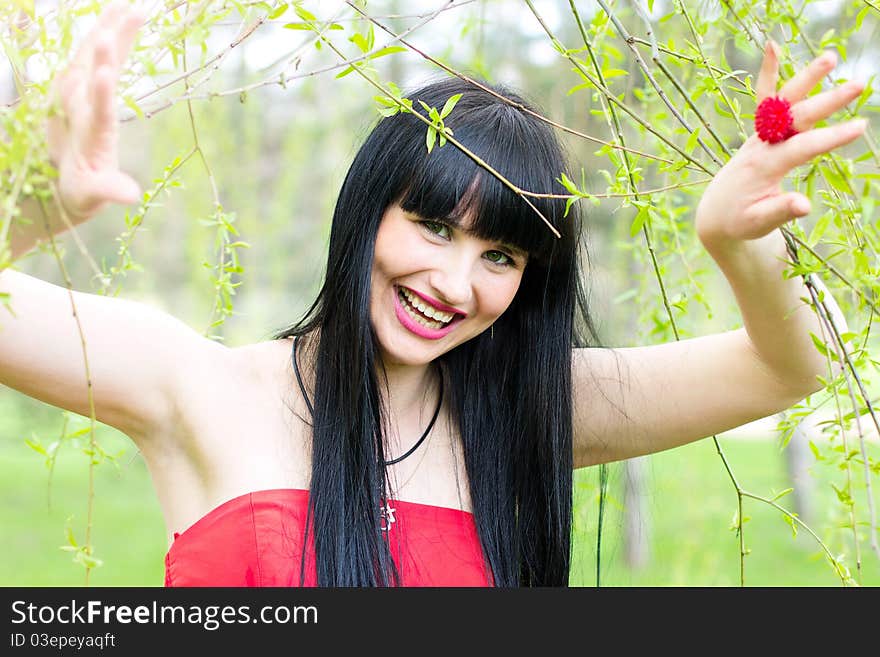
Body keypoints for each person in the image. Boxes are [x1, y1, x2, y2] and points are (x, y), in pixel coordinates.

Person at [1, 4, 866, 587]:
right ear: (365, 209)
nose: (454, 284)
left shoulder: (528, 405)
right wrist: (30, 205)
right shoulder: (195, 386)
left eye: (501, 254)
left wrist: (740, 249)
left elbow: (787, 366)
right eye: (433, 226)